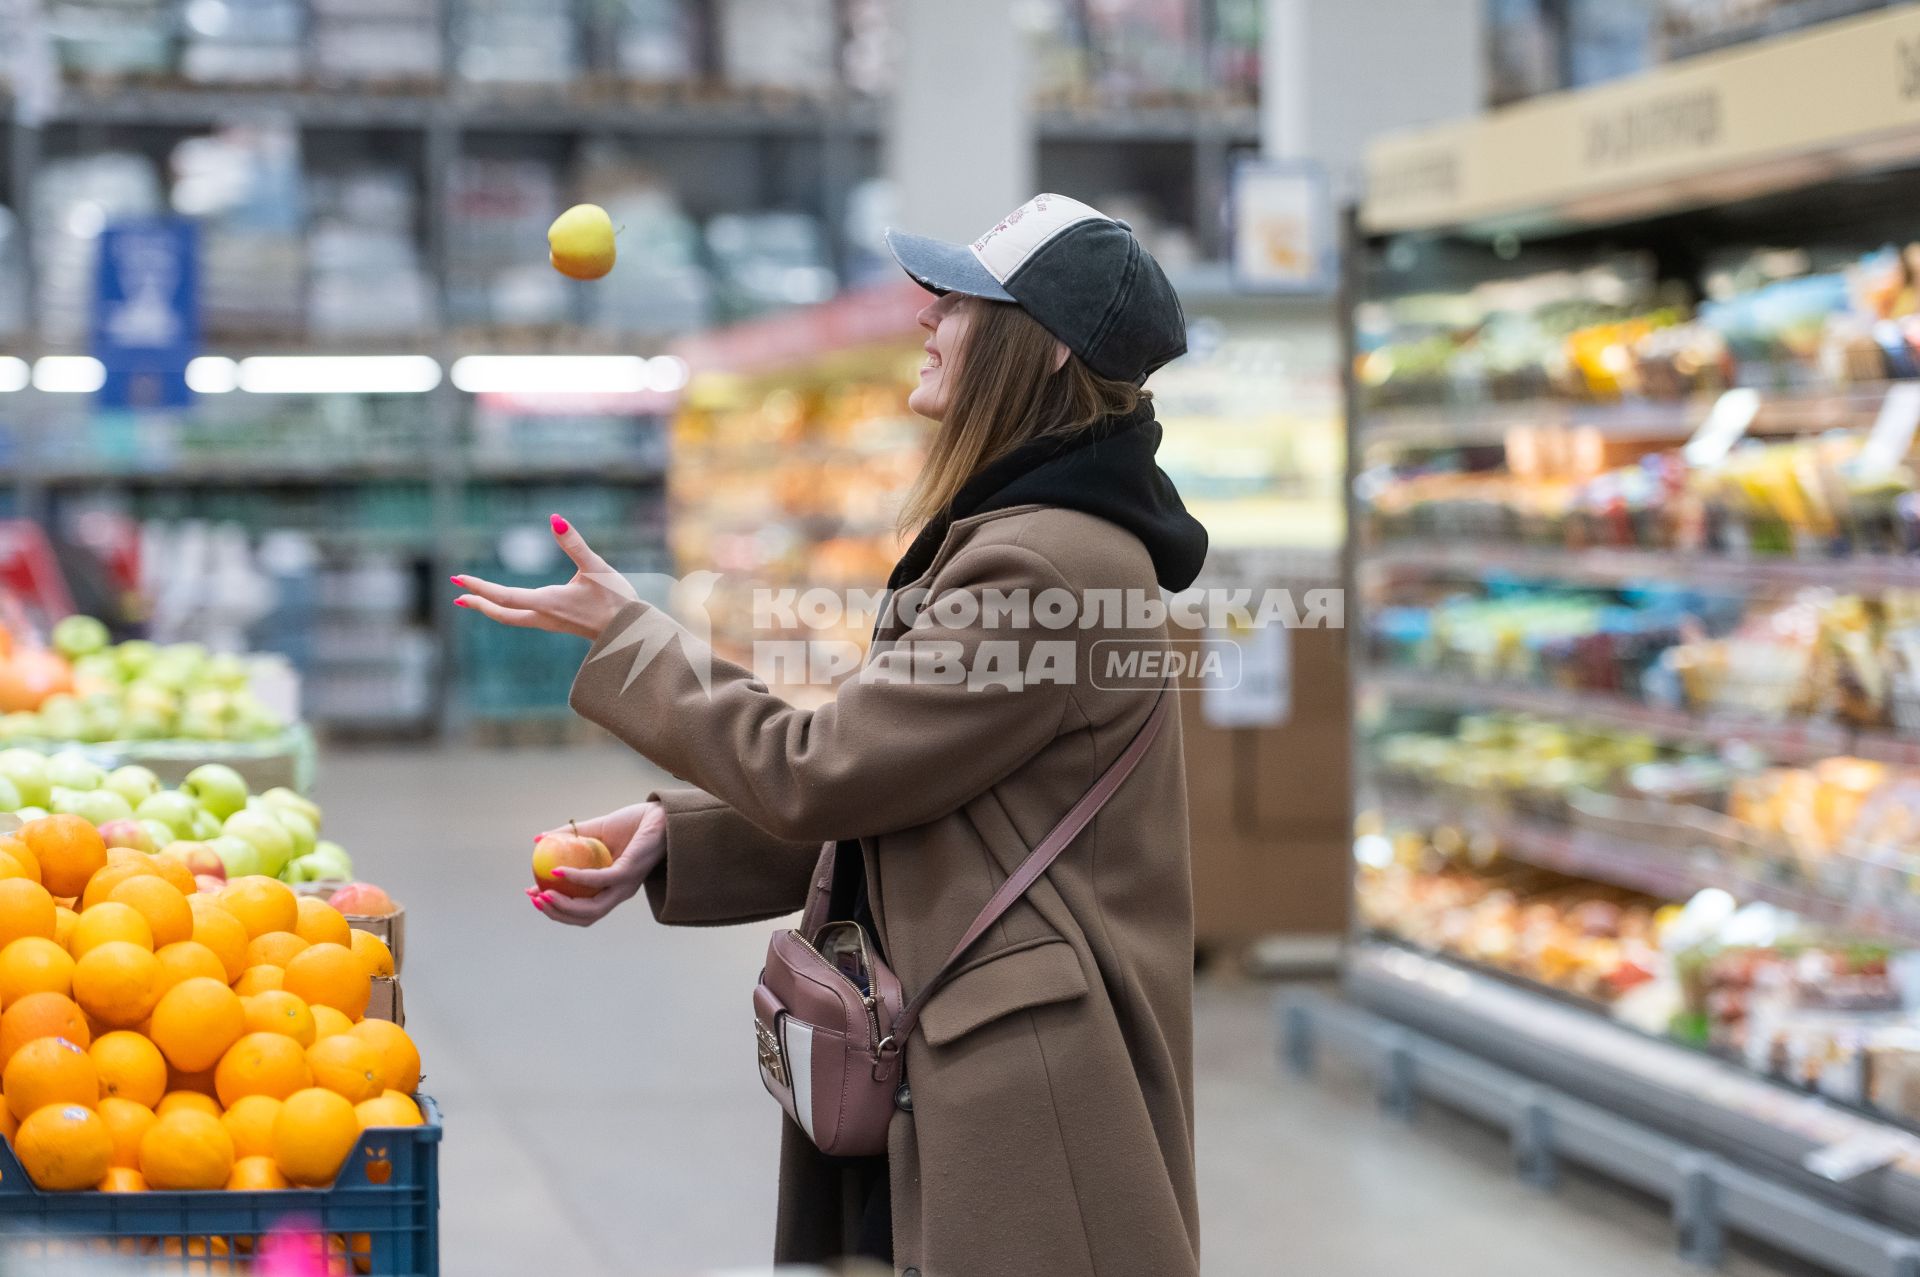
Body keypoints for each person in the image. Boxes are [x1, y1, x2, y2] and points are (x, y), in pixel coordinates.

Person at [452, 193, 1208, 1277]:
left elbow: (825, 773)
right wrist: (685, 838)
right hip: (979, 1062)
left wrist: (634, 639)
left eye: (962, 302)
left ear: (1041, 351)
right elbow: (927, 797)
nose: (928, 318)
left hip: (1027, 1098)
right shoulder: (1031, 539)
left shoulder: (1039, 563)